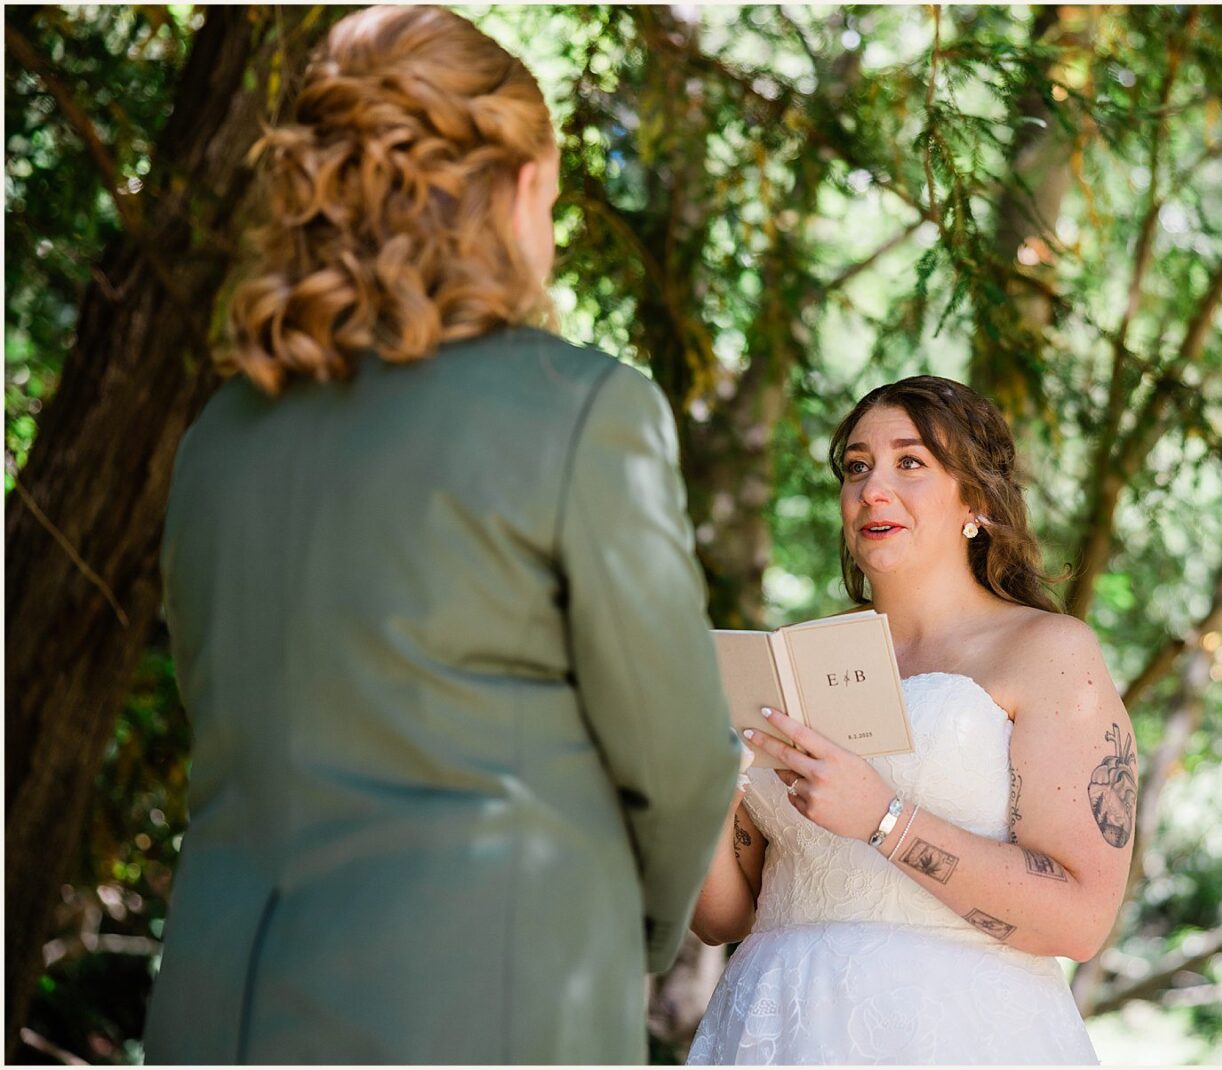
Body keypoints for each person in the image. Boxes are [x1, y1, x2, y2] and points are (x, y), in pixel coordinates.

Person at [142, 7, 740, 1063]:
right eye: (551, 200)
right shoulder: (579, 411)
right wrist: (638, 929)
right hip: (477, 1000)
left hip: (217, 1005)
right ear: (514, 191)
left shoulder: (221, 434)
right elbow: (677, 753)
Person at [687, 376, 1136, 1064]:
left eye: (911, 462)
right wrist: (703, 790)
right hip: (775, 1027)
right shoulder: (795, 660)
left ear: (978, 502)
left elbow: (1081, 922)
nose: (872, 489)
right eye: (857, 466)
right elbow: (723, 917)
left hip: (956, 1030)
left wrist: (883, 818)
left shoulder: (1047, 652)